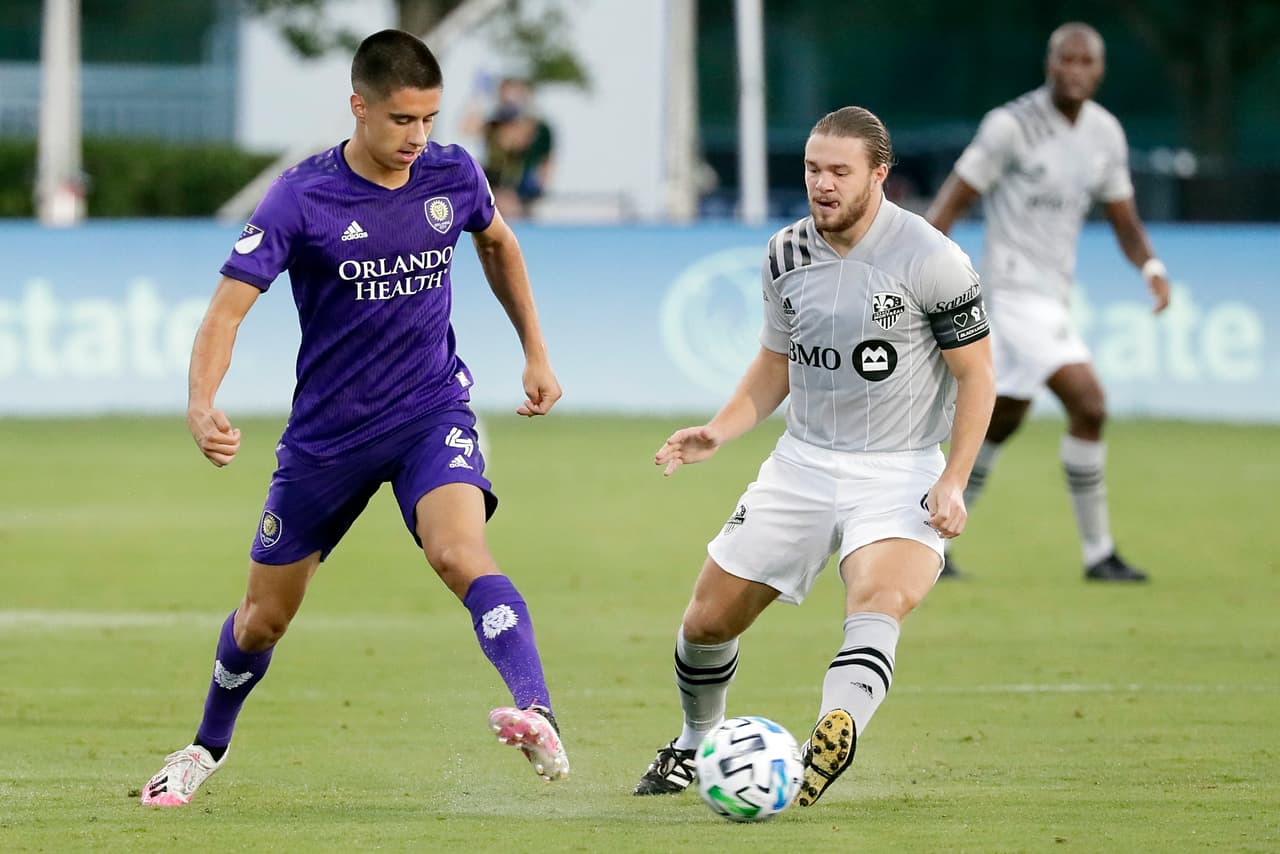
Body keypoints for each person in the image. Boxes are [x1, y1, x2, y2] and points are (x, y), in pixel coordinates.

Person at [140, 30, 568, 807]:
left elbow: (499, 244)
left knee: (459, 551)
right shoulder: (301, 196)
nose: (418, 138)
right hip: (327, 438)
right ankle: (204, 748)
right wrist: (202, 403)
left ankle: (538, 711)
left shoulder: (452, 172)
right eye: (403, 120)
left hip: (430, 410)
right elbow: (226, 314)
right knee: (262, 620)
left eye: (430, 119)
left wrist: (535, 352)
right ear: (359, 107)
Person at [632, 106, 995, 806]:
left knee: (880, 596)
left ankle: (836, 728)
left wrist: (954, 479)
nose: (821, 184)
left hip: (901, 469)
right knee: (706, 623)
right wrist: (720, 429)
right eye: (811, 169)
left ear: (878, 175)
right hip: (802, 463)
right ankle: (691, 743)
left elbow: (977, 375)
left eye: (838, 172)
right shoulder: (785, 252)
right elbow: (776, 362)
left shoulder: (932, 258)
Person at [926, 22, 1171, 583]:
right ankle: (1099, 554)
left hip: (1051, 296)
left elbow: (1124, 218)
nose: (1077, 71)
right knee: (1090, 404)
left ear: (1100, 70)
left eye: (1087, 62)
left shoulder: (1105, 134)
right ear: (1050, 64)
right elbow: (954, 199)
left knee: (1001, 421)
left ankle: (928, 537)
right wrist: (914, 265)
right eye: (1067, 60)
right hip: (1009, 293)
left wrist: (1151, 268)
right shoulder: (1011, 125)